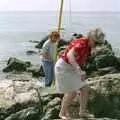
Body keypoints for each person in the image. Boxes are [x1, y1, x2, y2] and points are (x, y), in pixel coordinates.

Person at [55, 28, 105, 119]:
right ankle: (62, 113)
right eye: (96, 42)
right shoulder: (81, 43)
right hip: (63, 67)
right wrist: (79, 70)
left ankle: (82, 112)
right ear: (90, 37)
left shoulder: (89, 46)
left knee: (85, 88)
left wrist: (80, 72)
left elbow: (80, 59)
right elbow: (70, 55)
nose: (97, 45)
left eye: (99, 44)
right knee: (72, 93)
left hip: (71, 67)